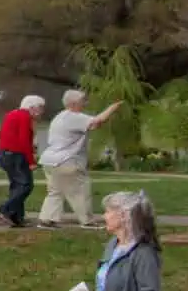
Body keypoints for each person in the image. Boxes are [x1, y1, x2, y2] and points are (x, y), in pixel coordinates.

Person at [39, 89, 125, 229]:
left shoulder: (60, 116)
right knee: (80, 190)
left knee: (55, 191)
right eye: (83, 101)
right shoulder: (74, 117)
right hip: (66, 160)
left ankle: (47, 219)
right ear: (73, 103)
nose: (85, 103)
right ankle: (87, 221)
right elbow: (98, 121)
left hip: (49, 160)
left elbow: (94, 124)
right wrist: (113, 108)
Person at [0, 94, 47, 227]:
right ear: (32, 107)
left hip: (5, 154)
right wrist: (31, 161)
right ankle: (5, 209)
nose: (42, 111)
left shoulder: (12, 114)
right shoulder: (24, 116)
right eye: (40, 108)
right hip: (16, 155)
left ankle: (16, 217)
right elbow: (24, 140)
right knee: (26, 185)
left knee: (16, 185)